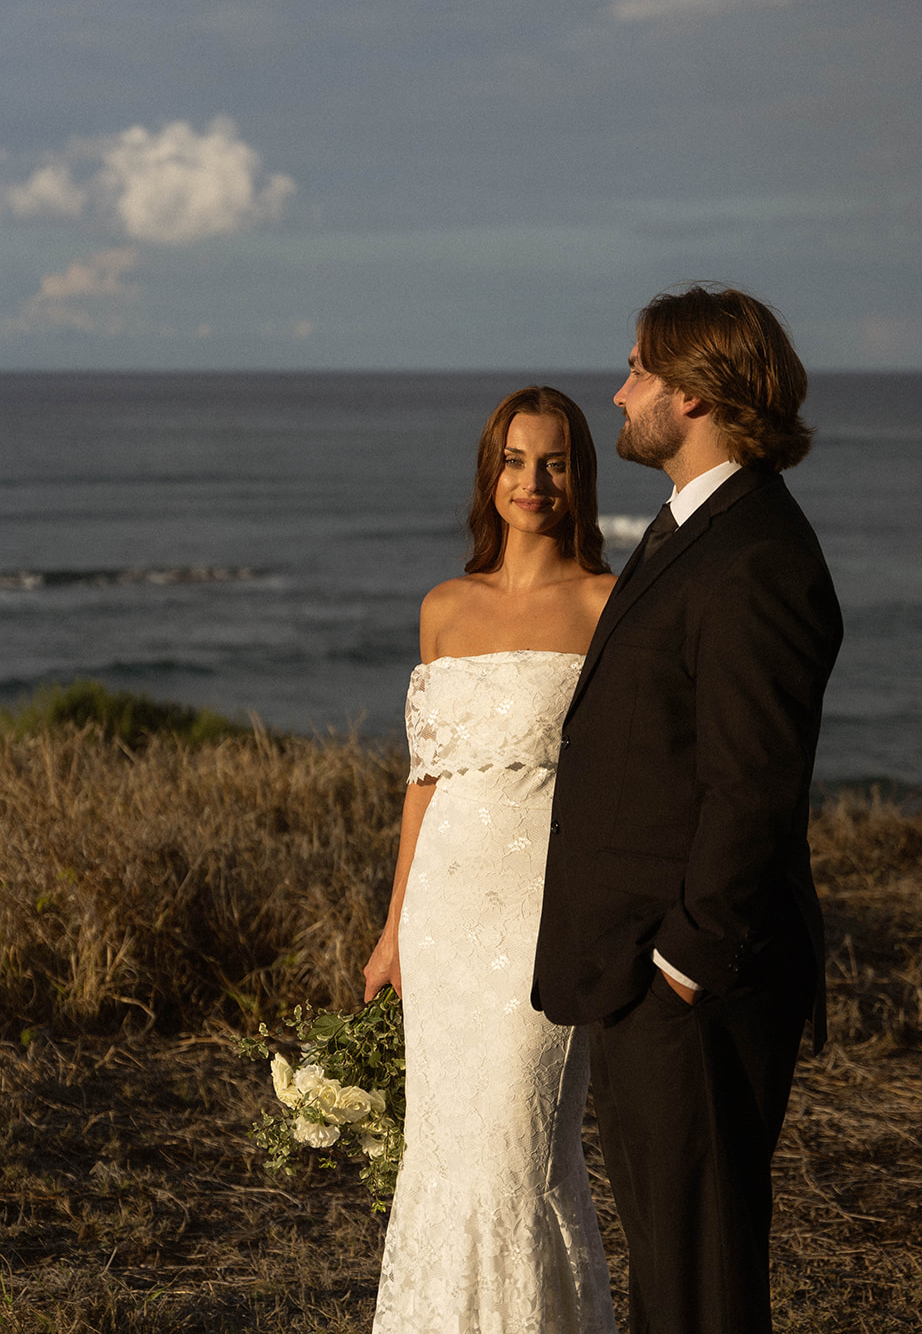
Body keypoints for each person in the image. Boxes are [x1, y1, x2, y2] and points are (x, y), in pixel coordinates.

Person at [533, 286, 843, 1334]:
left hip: (695, 990)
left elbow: (750, 783)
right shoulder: (689, 531)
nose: (615, 393)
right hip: (652, 974)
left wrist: (683, 962)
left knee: (700, 1280)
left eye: (634, 371)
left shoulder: (755, 557)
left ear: (694, 394)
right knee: (669, 1268)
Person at [364, 386, 619, 1334]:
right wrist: (393, 932)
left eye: (553, 461)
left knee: (519, 1151)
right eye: (515, 460)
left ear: (578, 475)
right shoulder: (443, 607)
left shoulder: (609, 602)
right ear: (491, 471)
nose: (532, 481)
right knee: (442, 1154)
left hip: (541, 916)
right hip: (442, 921)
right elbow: (421, 784)